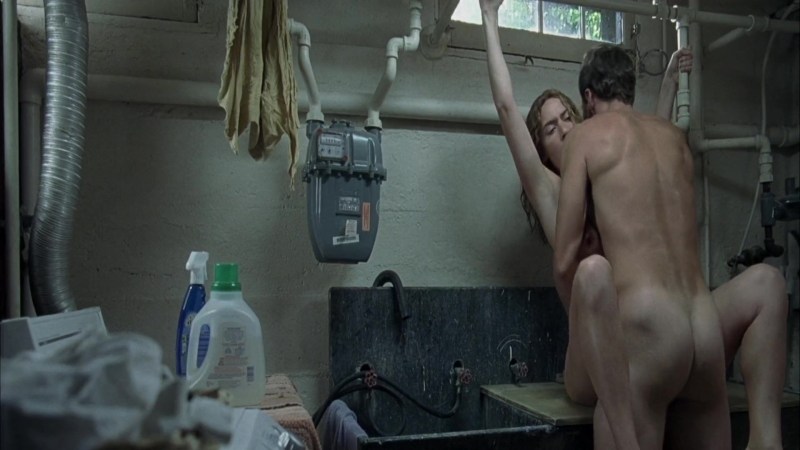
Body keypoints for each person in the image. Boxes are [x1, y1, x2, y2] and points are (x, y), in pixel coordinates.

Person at [479, 0, 788, 448]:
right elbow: (507, 109)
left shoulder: (607, 161)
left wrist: (667, 86)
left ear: (584, 110)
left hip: (660, 332)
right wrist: (489, 18)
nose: (563, 129)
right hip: (597, 342)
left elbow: (645, 144)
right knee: (595, 272)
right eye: (549, 129)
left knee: (766, 283)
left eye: (566, 117)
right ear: (541, 150)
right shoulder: (549, 187)